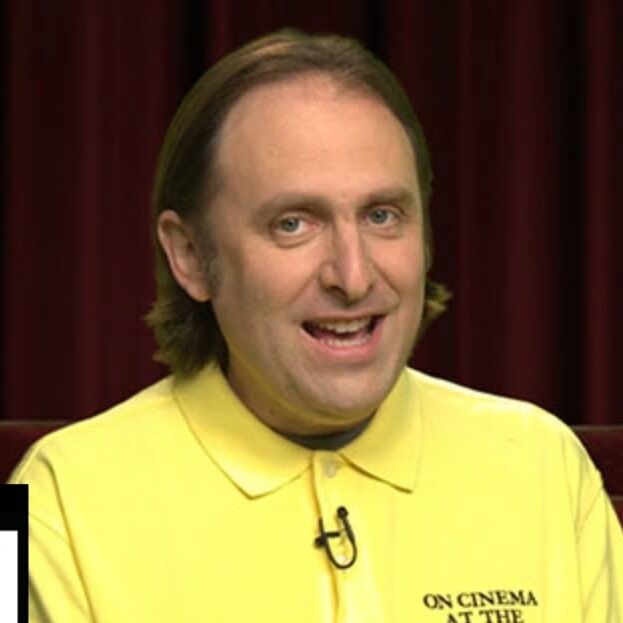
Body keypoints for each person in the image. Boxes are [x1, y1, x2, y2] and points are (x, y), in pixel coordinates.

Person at [9, 29, 622, 622]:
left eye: (382, 215)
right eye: (293, 223)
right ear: (190, 255)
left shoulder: (548, 465)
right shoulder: (44, 502)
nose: (352, 277)